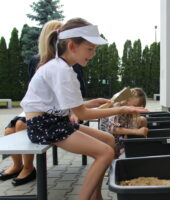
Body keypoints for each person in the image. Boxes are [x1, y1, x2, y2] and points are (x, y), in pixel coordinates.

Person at [20, 18, 148, 200]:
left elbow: (69, 107)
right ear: (72, 46)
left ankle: (96, 197)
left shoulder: (64, 68)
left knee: (108, 139)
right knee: (105, 153)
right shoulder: (61, 70)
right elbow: (82, 114)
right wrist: (122, 109)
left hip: (54, 121)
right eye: (90, 49)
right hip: (44, 126)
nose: (94, 53)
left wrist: (90, 102)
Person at [0, 20, 64, 186]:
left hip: (56, 108)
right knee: (8, 130)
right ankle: (17, 165)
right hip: (37, 106)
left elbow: (77, 92)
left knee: (22, 126)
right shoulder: (36, 60)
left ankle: (29, 168)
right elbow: (33, 90)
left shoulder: (66, 61)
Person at [99, 88, 148, 156]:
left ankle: (135, 151)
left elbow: (127, 122)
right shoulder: (117, 107)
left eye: (140, 107)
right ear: (127, 100)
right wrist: (137, 131)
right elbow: (113, 129)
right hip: (108, 137)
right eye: (135, 106)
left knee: (142, 120)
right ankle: (113, 158)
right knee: (112, 152)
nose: (137, 109)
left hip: (120, 132)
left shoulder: (129, 107)